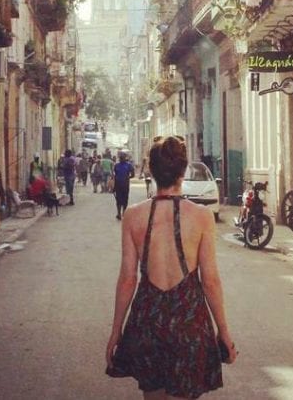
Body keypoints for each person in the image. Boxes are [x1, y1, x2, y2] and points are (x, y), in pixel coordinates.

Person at [106, 135, 235, 398]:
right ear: (183, 170)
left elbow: (127, 279)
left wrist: (116, 331)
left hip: (147, 322)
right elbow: (210, 281)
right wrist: (224, 332)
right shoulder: (202, 217)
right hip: (190, 323)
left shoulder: (133, 216)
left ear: (151, 170)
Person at [113, 151, 134, 220]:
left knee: (125, 199)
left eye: (123, 157)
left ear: (125, 158)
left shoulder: (129, 165)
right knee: (118, 199)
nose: (121, 158)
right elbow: (115, 175)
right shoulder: (116, 165)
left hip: (125, 185)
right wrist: (114, 187)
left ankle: (124, 213)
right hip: (118, 185)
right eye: (120, 157)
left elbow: (132, 174)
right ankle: (119, 213)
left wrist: (127, 177)